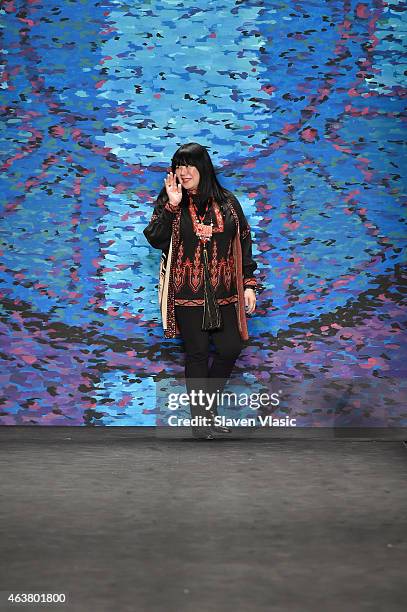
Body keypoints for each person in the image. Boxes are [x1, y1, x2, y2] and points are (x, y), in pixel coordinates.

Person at [143, 142, 257, 439]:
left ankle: (206, 412)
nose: (183, 171)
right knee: (196, 354)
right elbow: (154, 238)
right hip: (187, 293)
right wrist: (171, 204)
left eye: (188, 164)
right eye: (178, 165)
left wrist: (248, 284)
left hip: (225, 293)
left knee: (230, 348)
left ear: (203, 168)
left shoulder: (228, 203)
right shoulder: (171, 202)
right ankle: (201, 422)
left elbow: (244, 243)